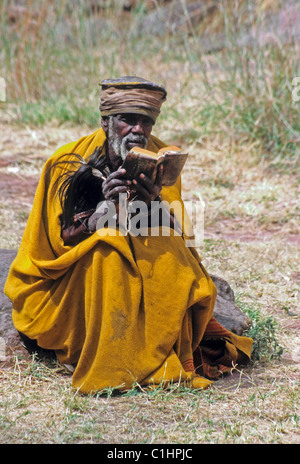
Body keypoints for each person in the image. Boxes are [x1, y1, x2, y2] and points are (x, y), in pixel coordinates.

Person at [4, 76, 252, 393]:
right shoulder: (68, 162)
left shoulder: (160, 156)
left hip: (142, 262)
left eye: (145, 122)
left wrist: (150, 201)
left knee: (169, 253)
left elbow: (180, 235)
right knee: (108, 249)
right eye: (127, 120)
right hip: (72, 273)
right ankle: (108, 362)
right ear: (106, 122)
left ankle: (155, 352)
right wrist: (102, 209)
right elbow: (59, 241)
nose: (138, 130)